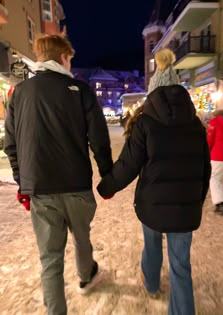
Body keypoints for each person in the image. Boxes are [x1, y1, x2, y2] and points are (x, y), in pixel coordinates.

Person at [4, 34, 113, 315]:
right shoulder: (80, 90)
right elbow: (99, 139)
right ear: (63, 57)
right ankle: (87, 275)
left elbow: (11, 145)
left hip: (40, 189)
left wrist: (22, 184)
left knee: (50, 259)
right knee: (82, 236)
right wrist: (108, 176)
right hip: (77, 185)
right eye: (69, 59)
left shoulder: (19, 94)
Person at [97, 84, 211, 315]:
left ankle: (151, 283)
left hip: (152, 204)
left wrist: (107, 187)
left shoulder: (145, 124)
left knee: (152, 244)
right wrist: (197, 200)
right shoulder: (196, 126)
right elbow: (205, 169)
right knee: (180, 265)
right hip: (184, 207)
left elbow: (128, 165)